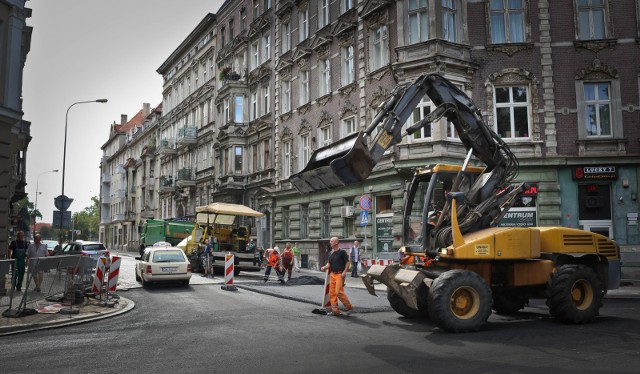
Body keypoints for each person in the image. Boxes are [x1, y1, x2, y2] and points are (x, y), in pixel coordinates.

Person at [320, 237, 353, 316]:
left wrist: (345, 272)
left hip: (340, 274)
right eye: (330, 241)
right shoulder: (331, 253)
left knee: (338, 292)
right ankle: (335, 311)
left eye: (331, 241)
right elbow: (329, 264)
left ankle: (349, 307)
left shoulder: (342, 252)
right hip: (333, 275)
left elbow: (347, 263)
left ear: (336, 243)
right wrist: (324, 267)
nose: (330, 242)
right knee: (332, 293)